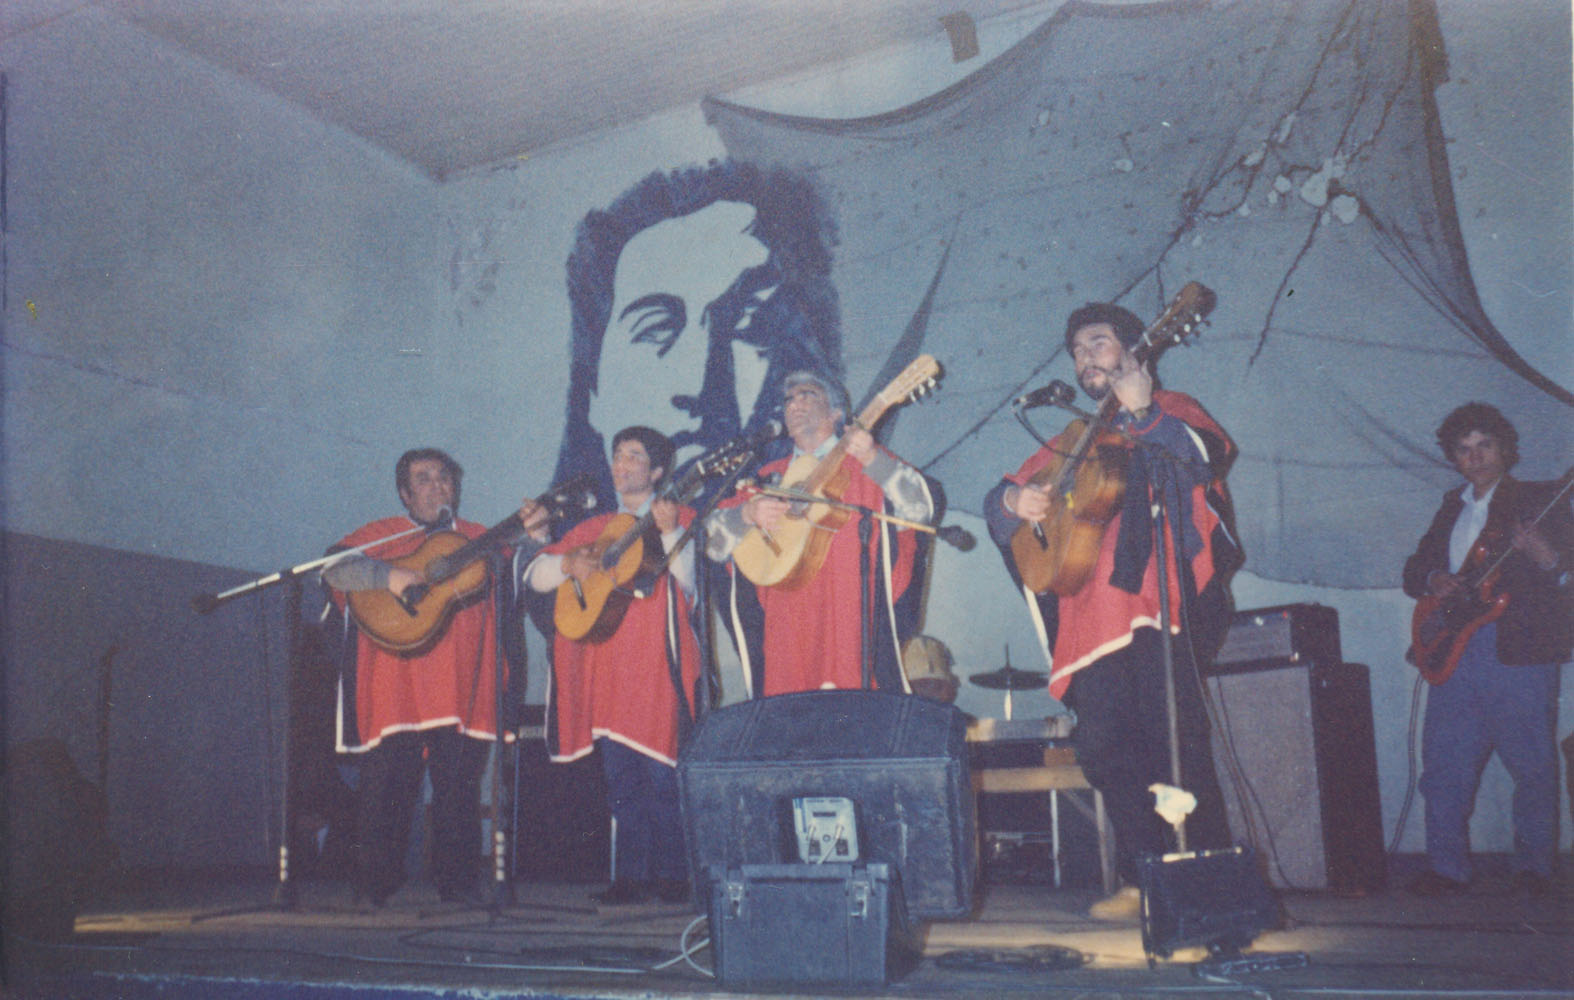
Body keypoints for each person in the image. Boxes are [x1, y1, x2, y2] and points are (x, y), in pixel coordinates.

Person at [983, 302, 1241, 920]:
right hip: (1085, 622)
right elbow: (998, 501)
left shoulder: (1170, 408)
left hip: (1155, 608)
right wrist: (1014, 498)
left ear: (1137, 349)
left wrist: (1144, 412)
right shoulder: (1071, 436)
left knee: (1176, 745)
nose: (1083, 359)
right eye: (1076, 351)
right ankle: (1144, 875)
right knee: (1102, 751)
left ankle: (1207, 886)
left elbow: (1206, 457)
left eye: (1096, 343)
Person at [552, 161, 841, 505]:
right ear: (594, 387)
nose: (698, 385)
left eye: (743, 323)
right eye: (657, 329)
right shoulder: (580, 547)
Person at [323, 448, 526, 906]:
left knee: (458, 789)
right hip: (396, 685)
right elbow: (333, 566)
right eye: (423, 479)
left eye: (443, 478)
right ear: (404, 494)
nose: (436, 486)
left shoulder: (481, 537)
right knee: (387, 789)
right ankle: (374, 888)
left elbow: (520, 578)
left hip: (463, 686)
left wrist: (534, 535)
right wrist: (389, 575)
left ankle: (458, 890)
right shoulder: (382, 535)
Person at [521, 426, 701, 905]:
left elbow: (690, 586)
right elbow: (537, 576)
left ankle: (674, 875)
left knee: (663, 774)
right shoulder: (590, 530)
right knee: (621, 780)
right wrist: (566, 564)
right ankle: (630, 877)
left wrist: (670, 533)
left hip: (658, 666)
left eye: (635, 457)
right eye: (618, 456)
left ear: (658, 471)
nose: (622, 465)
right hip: (606, 669)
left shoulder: (680, 518)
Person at [1401, 403, 1572, 897]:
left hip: (1516, 650)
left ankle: (1535, 868)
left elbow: (1567, 573)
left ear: (1505, 449)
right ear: (1454, 458)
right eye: (1464, 449)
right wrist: (1435, 578)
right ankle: (1446, 867)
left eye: (1485, 445)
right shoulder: (1451, 505)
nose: (1475, 457)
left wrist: (1545, 554)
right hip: (1455, 651)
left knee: (1532, 764)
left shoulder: (1540, 499)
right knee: (1444, 763)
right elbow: (1415, 569)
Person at [706, 370, 934, 695]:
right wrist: (745, 514)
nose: (795, 403)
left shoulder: (865, 465)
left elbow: (920, 510)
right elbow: (711, 545)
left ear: (836, 413)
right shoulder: (768, 480)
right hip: (786, 633)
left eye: (807, 394)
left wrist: (872, 456)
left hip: (851, 625)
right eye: (788, 399)